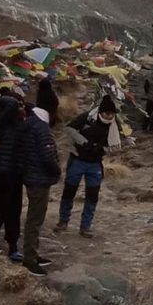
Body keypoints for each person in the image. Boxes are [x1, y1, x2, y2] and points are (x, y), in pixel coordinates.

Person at [55, 95, 120, 237]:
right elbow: (70, 129)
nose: (109, 117)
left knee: (92, 196)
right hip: (78, 159)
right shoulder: (87, 118)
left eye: (112, 114)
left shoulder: (114, 124)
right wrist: (84, 143)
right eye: (107, 114)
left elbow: (116, 146)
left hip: (95, 163)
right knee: (69, 192)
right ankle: (63, 221)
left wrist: (102, 149)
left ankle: (85, 227)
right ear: (101, 112)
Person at [18, 106, 61, 276]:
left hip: (30, 176)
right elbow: (47, 155)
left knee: (34, 218)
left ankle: (33, 254)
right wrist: (56, 170)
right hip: (40, 178)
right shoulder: (41, 128)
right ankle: (29, 259)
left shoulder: (27, 126)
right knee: (35, 219)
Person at [0, 89, 27, 261]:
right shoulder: (3, 123)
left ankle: (12, 244)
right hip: (6, 171)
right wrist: (8, 100)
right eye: (18, 105)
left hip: (16, 171)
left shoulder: (15, 122)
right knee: (2, 208)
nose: (21, 107)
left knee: (13, 210)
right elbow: (12, 104)